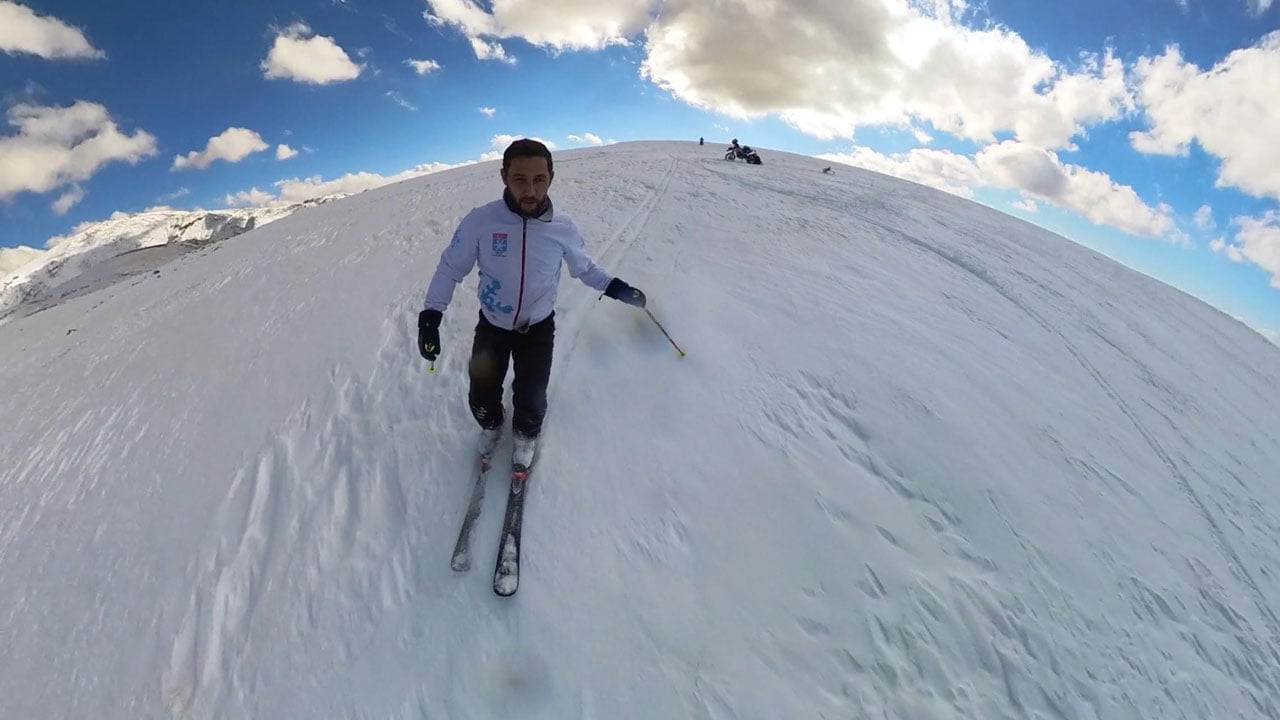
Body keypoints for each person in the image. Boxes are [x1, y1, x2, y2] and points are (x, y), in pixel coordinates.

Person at [417, 138, 647, 470]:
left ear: (551, 177)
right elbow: (451, 267)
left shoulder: (562, 228)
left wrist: (617, 287)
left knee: (532, 395)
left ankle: (525, 436)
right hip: (493, 328)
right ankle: (492, 425)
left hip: (537, 329)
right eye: (519, 179)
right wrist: (431, 315)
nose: (530, 190)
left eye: (539, 179)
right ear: (504, 177)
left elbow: (584, 268)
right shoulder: (481, 221)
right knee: (482, 392)